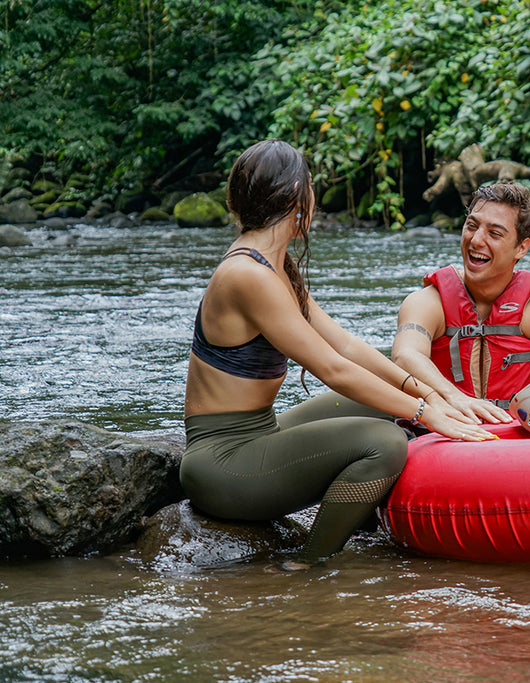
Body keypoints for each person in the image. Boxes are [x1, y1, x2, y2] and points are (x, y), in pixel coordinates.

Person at [181, 139, 494, 571]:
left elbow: (345, 345)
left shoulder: (273, 265)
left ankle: (361, 525)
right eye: (310, 187)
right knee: (385, 444)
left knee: (382, 403)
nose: (314, 198)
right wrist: (426, 413)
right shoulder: (247, 275)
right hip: (223, 464)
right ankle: (306, 564)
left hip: (259, 433)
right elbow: (332, 368)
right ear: (295, 195)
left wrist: (435, 395)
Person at [391, 182, 530, 424]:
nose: (476, 240)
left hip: (523, 433)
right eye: (472, 226)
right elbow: (405, 355)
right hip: (441, 430)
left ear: (521, 247)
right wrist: (454, 397)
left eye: (494, 233)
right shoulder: (427, 302)